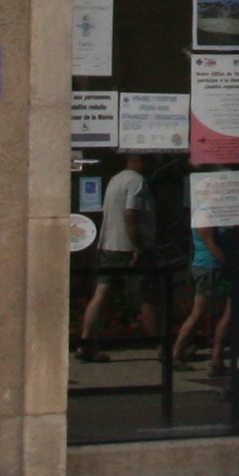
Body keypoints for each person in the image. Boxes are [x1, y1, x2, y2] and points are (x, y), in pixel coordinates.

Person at [75, 154, 155, 359]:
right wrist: (137, 247)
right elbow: (130, 215)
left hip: (108, 244)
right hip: (127, 248)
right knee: (147, 296)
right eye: (148, 159)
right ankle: (162, 347)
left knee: (101, 295)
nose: (151, 164)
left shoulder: (115, 179)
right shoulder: (137, 181)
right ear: (137, 160)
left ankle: (85, 344)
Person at [171, 223, 232, 370]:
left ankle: (217, 357)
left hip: (216, 268)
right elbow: (210, 244)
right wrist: (228, 264)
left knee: (228, 311)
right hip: (210, 267)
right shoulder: (206, 216)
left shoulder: (217, 215)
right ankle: (176, 352)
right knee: (200, 311)